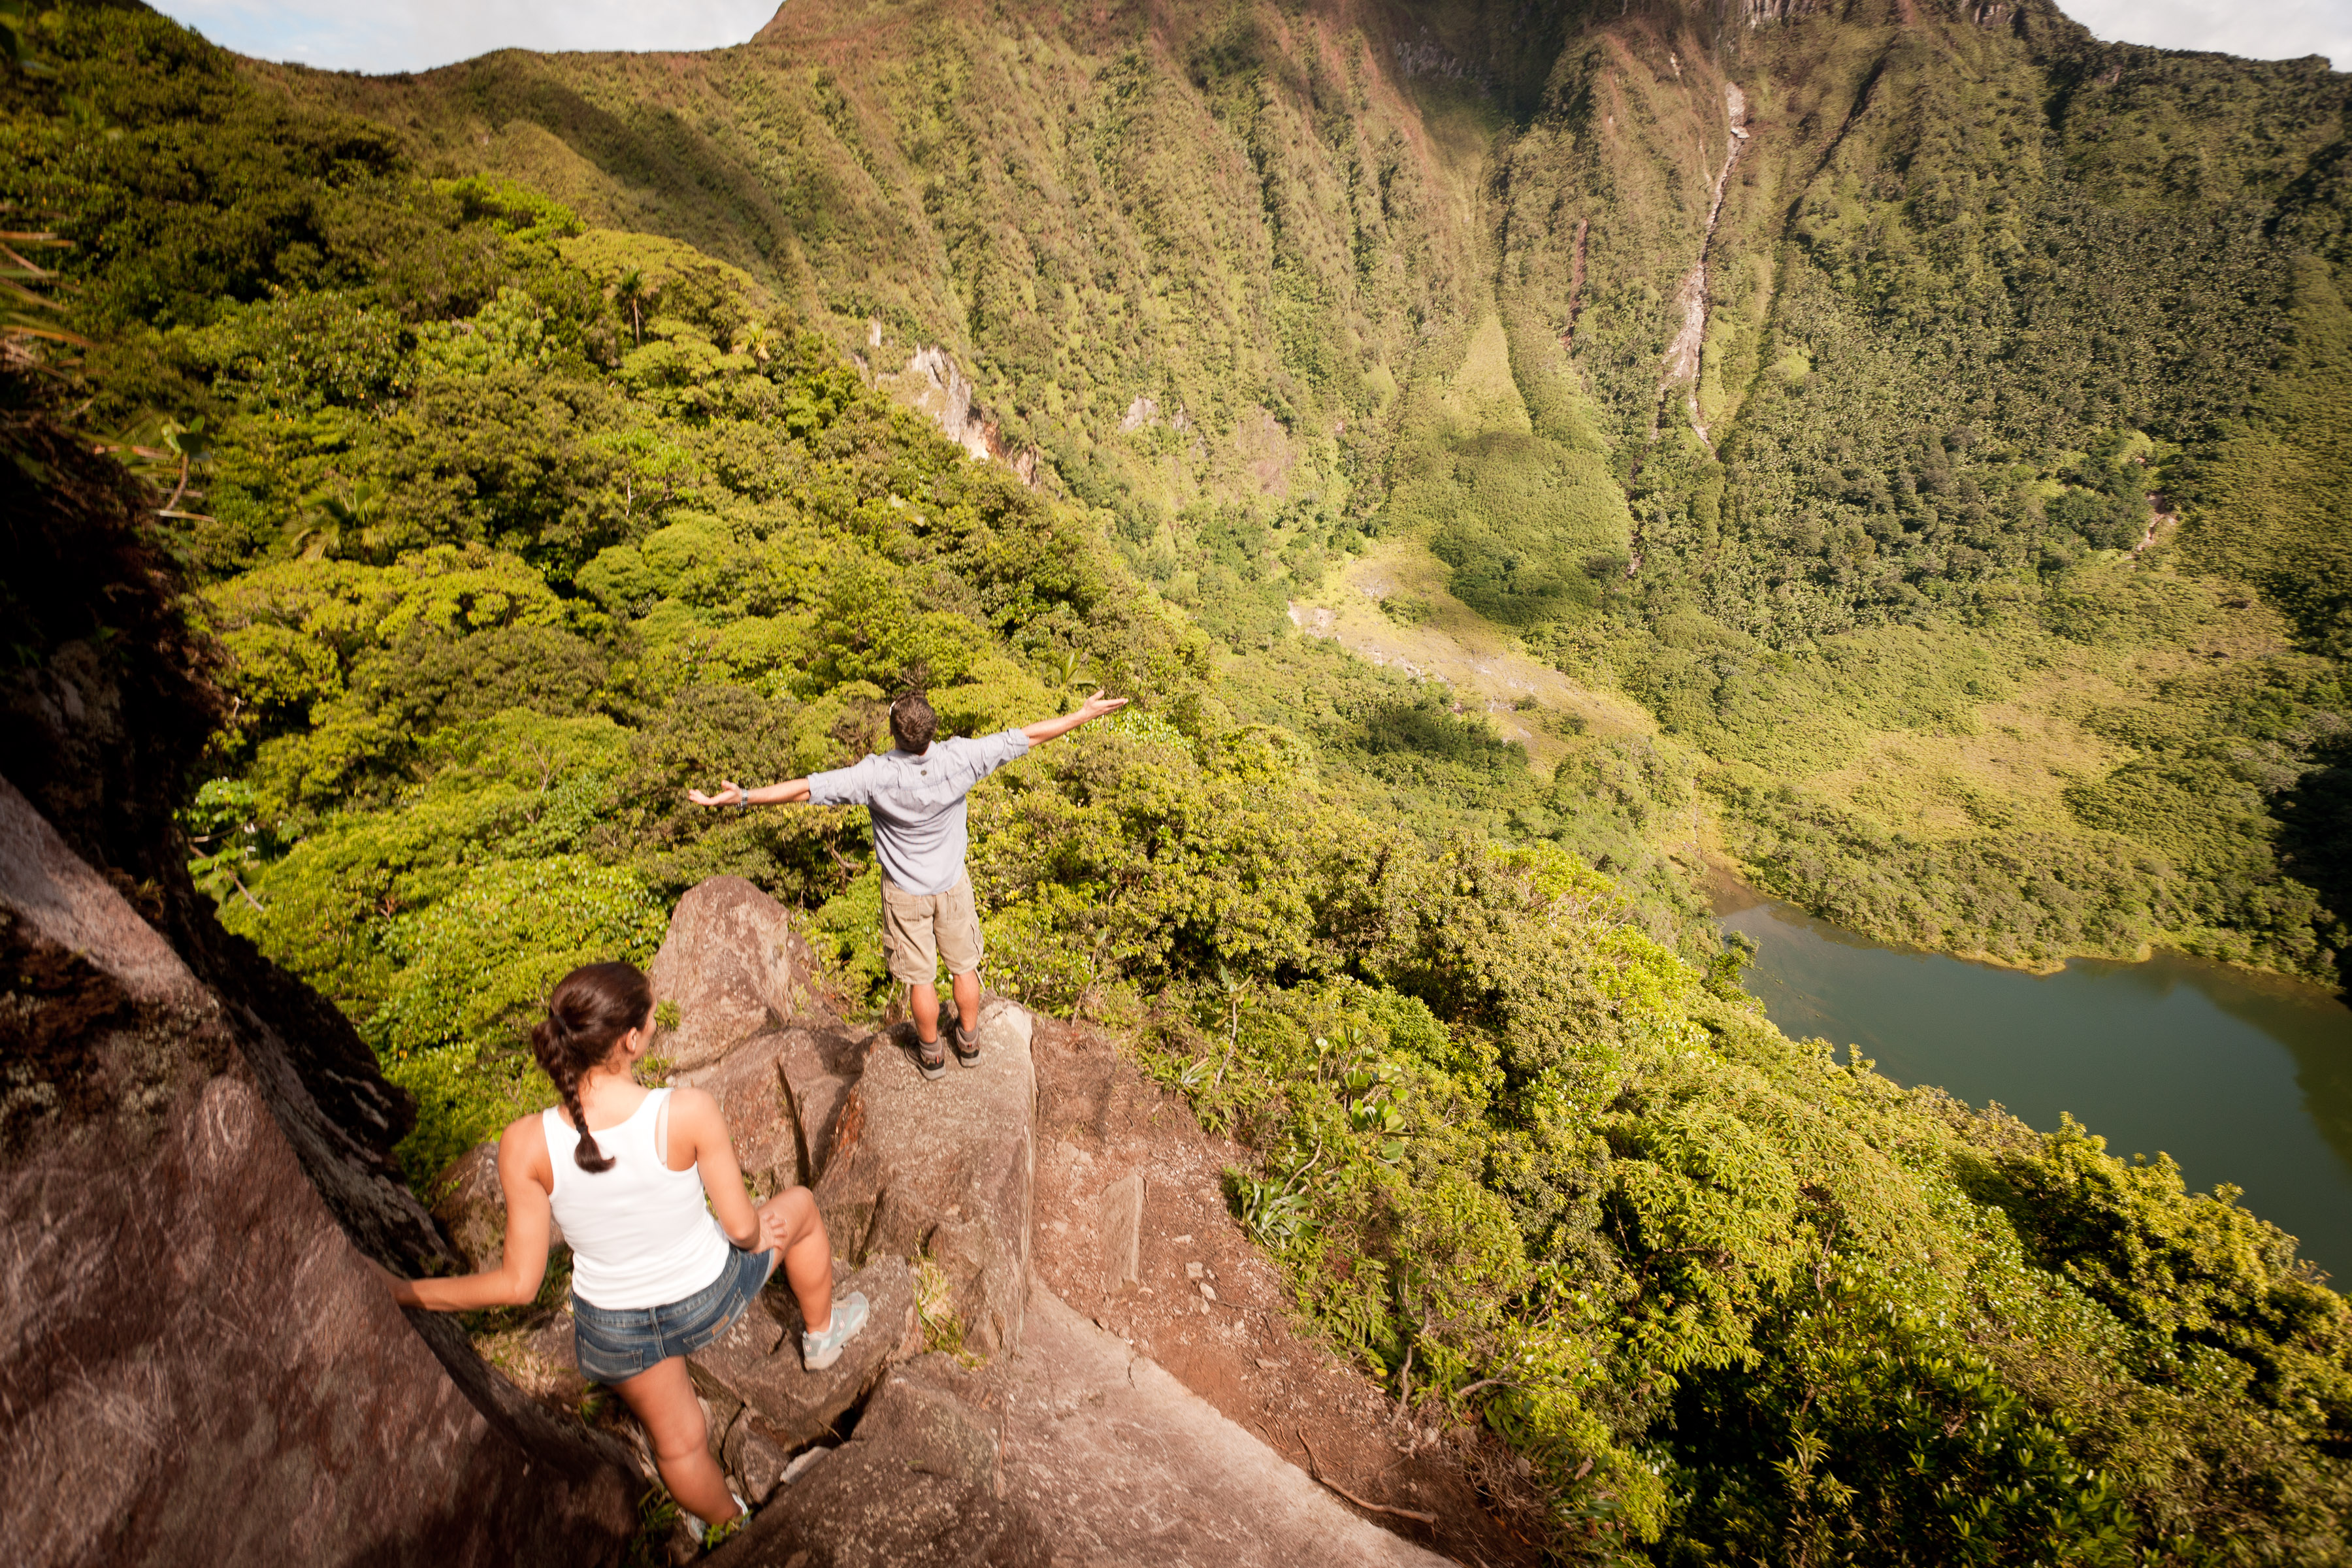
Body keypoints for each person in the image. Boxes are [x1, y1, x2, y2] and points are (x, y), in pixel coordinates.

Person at [380, 962, 866, 1548]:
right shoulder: (685, 1111)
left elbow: (517, 1286)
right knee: (803, 1208)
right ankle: (821, 1337)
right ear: (632, 1040)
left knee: (680, 1443)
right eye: (653, 1016)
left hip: (615, 1331)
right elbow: (742, 1230)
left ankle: (726, 1524)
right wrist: (764, 1235)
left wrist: (403, 1290)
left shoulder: (525, 1144)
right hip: (704, 1299)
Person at [689, 688, 1128, 1079]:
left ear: (896, 734)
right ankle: (970, 1044)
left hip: (905, 892)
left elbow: (806, 789)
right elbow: (1028, 736)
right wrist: (1082, 714)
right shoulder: (962, 757)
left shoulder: (875, 775)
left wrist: (743, 797)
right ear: (932, 731)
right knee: (964, 967)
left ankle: (932, 1054)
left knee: (921, 980)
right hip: (952, 884)